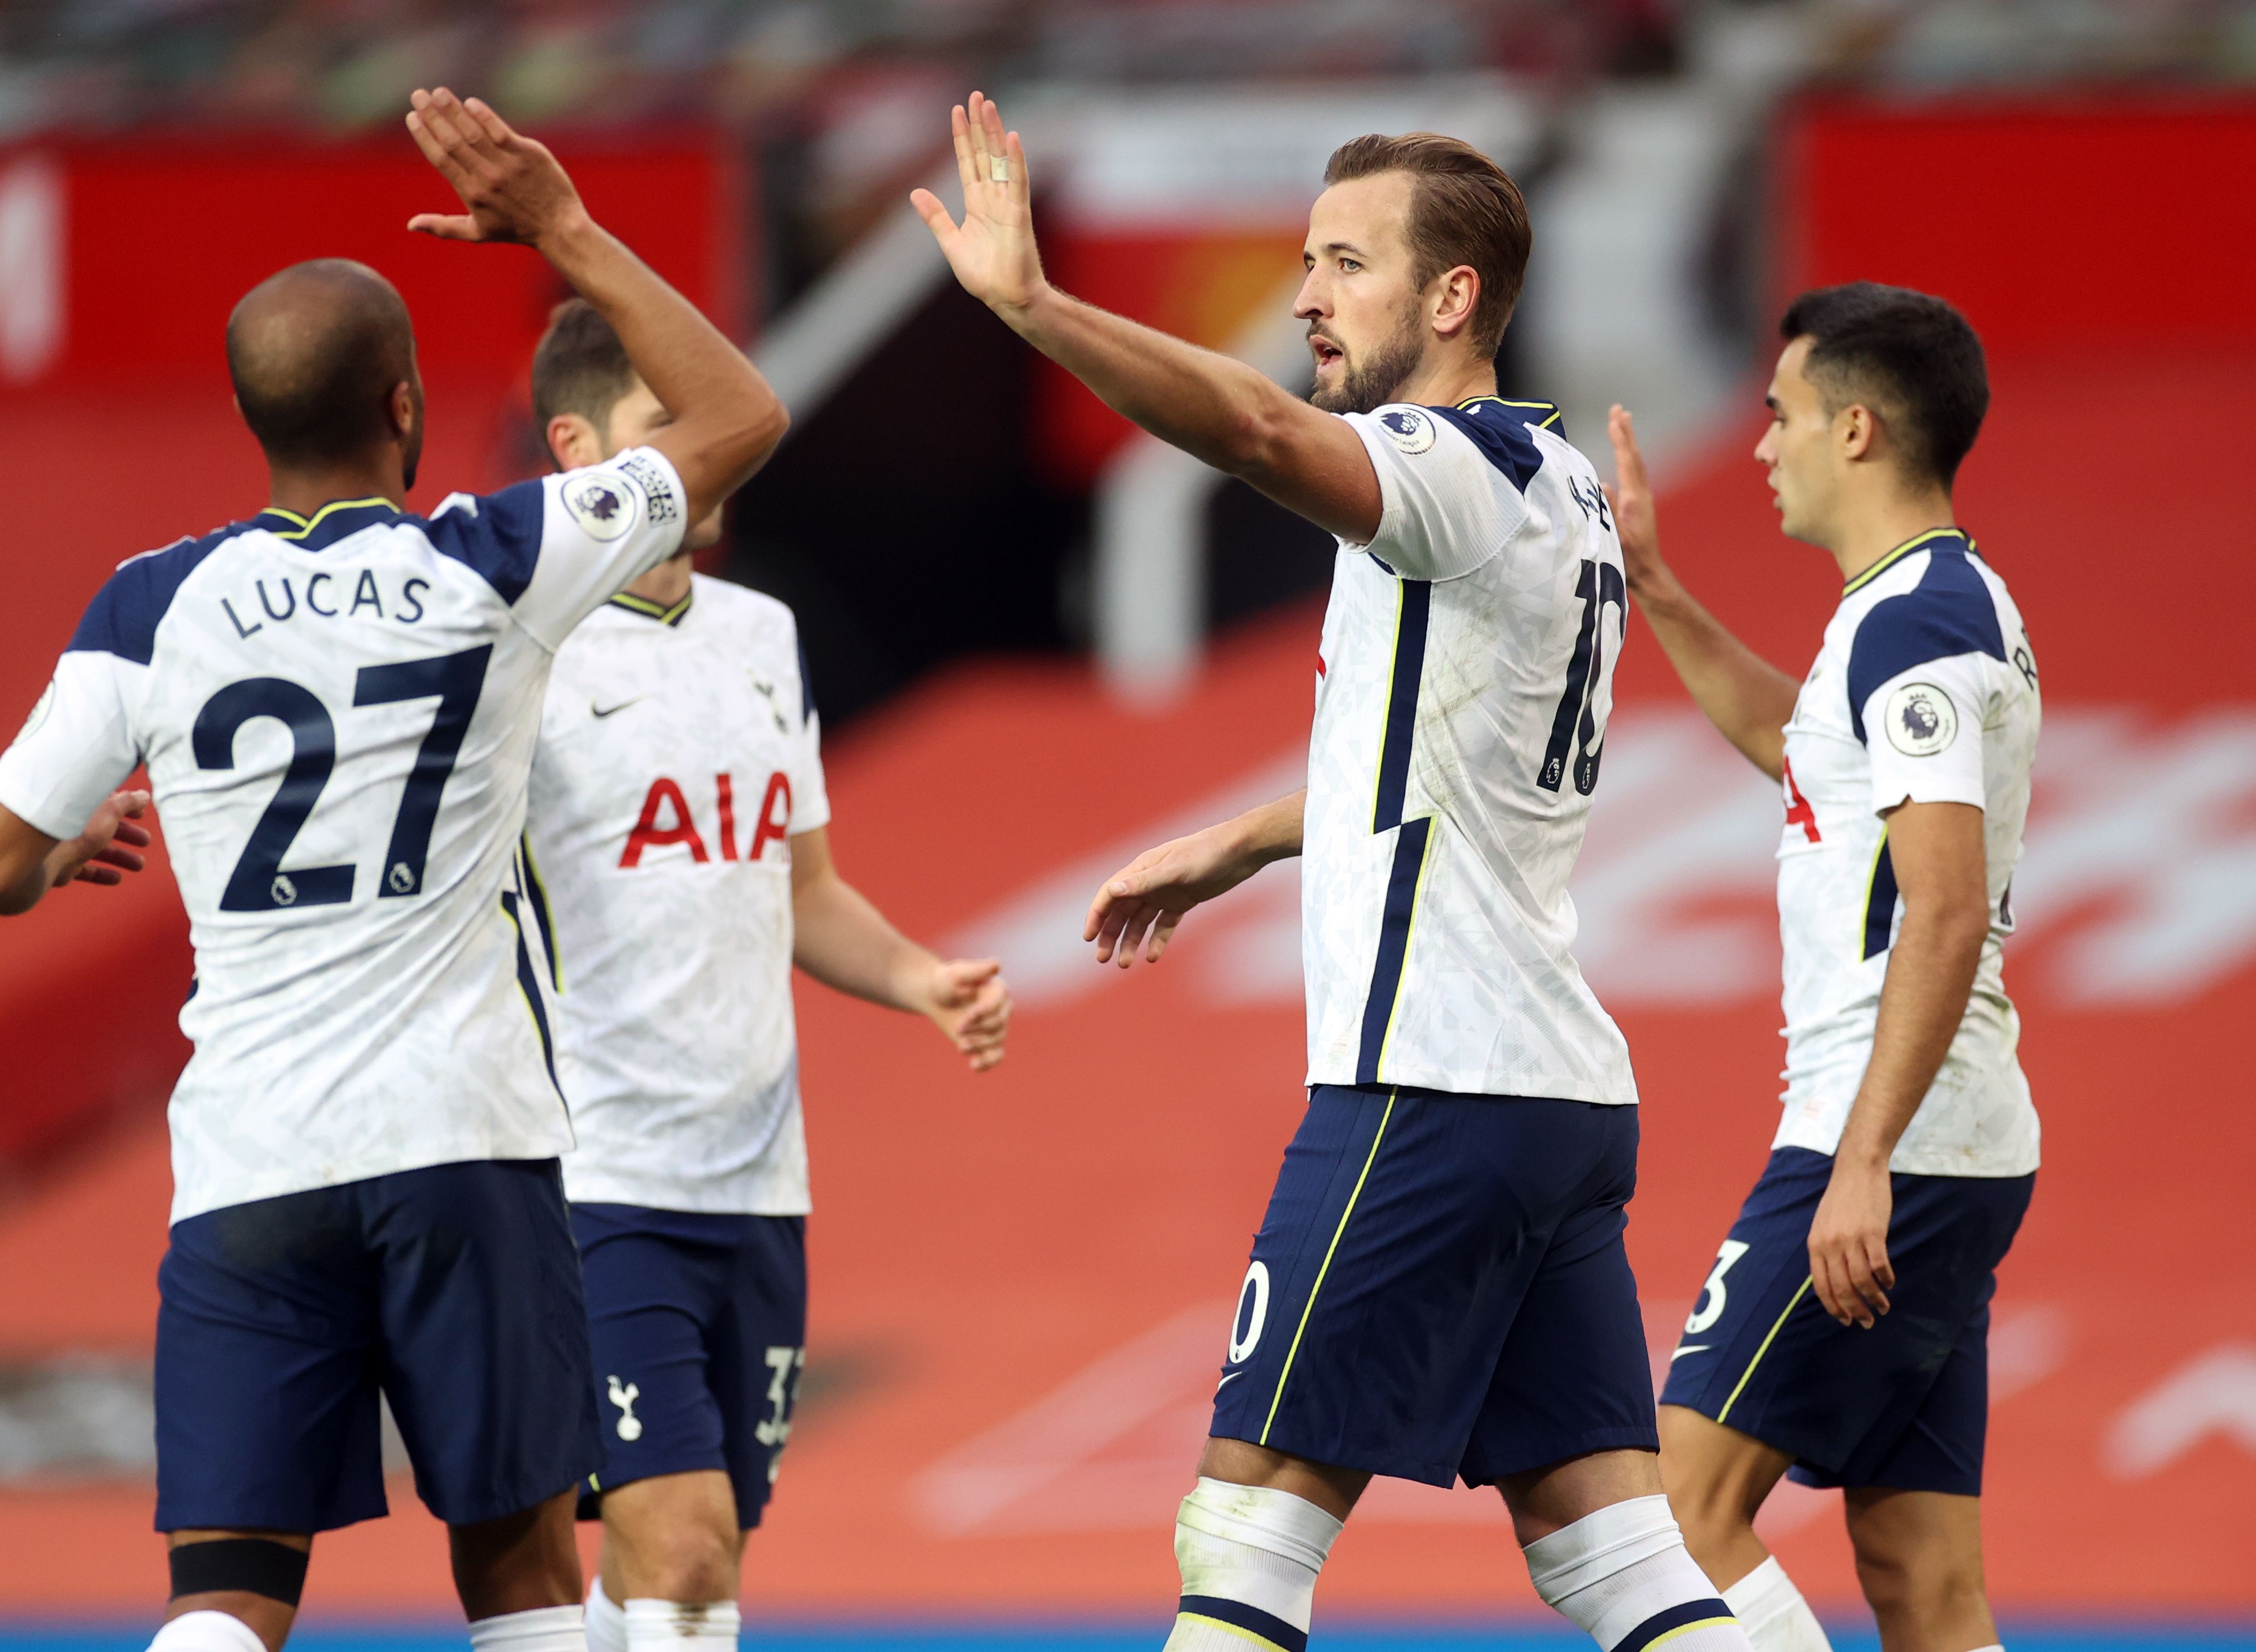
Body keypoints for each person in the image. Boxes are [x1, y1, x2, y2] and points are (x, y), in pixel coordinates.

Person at [0, 90, 786, 1652]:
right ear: (404, 406)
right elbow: (738, 411)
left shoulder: (150, 606)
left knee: (226, 1597)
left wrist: (62, 854)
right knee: (523, 1578)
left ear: (251, 420)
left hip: (250, 1164)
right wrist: (564, 232)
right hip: (464, 1145)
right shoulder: (495, 558)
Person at [916, 94, 1750, 1652]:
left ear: (1451, 300)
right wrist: (1241, 839)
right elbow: (1452, 761)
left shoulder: (1441, 468)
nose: (1305, 294)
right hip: (1553, 1100)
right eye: (1307, 259)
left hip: (1428, 1087)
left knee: (1244, 1524)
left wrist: (1030, 306)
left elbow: (1248, 430)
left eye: (1345, 263)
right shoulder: (1559, 489)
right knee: (1616, 1558)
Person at [513, 298, 1013, 1652]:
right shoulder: (519, 656)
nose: (709, 457)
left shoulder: (758, 634)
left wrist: (917, 978)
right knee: (678, 1554)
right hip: (594, 1181)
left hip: (758, 1184)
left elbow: (800, 887)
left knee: (690, 1571)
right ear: (577, 451)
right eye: (663, 427)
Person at [1610, 284, 2036, 1652]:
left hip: (1887, 1142)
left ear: (1853, 430)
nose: (1759, 446)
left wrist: (1859, 1159)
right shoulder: (1929, 608)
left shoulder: (1915, 626)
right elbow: (1805, 751)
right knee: (1922, 1576)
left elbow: (1946, 909)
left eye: (1778, 414)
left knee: (1669, 1522)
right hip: (1955, 1145)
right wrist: (1660, 594)